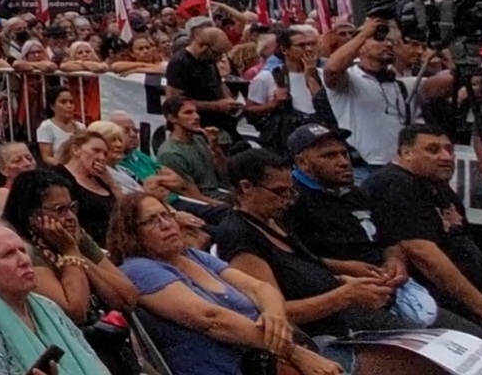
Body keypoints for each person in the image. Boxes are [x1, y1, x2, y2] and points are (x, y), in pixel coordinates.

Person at [282, 123, 482, 338]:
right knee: (428, 350)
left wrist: (394, 262)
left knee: (472, 336)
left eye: (344, 153)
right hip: (343, 296)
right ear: (303, 162)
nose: (342, 162)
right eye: (329, 156)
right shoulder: (290, 201)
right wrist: (346, 269)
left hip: (395, 287)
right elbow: (292, 260)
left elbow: (389, 239)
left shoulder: (353, 192)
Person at [105, 192, 338, 375]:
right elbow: (211, 320)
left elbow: (260, 288)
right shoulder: (138, 269)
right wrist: (295, 353)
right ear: (131, 234)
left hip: (269, 360)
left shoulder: (191, 256)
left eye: (167, 215)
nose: (166, 225)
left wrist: (274, 314)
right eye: (151, 221)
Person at [212, 147, 410, 360]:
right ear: (246, 187)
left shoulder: (272, 221)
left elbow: (302, 273)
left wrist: (349, 281)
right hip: (317, 340)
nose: (286, 200)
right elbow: (278, 312)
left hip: (342, 321)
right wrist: (345, 296)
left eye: (290, 192)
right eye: (279, 192)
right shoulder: (239, 236)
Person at [362, 124, 482, 341]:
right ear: (406, 153)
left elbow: (467, 247)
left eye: (449, 149)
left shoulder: (437, 184)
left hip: (481, 296)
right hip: (437, 303)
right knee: (480, 341)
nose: (446, 157)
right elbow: (425, 255)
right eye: (433, 150)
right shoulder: (395, 184)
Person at [0, 221, 105, 375]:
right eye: (8, 254)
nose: (24, 260)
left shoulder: (47, 305)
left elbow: (94, 361)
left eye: (23, 251)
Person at [0, 171, 137, 335]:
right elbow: (75, 312)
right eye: (60, 210)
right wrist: (69, 252)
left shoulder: (75, 236)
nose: (71, 217)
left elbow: (129, 297)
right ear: (33, 217)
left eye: (72, 208)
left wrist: (78, 255)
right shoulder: (23, 251)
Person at [326, 14, 450, 182]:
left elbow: (450, 80)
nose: (388, 44)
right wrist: (365, 33)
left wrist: (444, 45)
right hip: (364, 171)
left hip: (403, 169)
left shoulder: (403, 85)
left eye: (390, 41)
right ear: (360, 47)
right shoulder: (349, 82)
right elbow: (332, 69)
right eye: (379, 39)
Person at [242, 25, 333, 150]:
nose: (308, 49)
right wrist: (272, 104)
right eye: (301, 45)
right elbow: (248, 110)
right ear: (285, 50)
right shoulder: (267, 77)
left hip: (322, 137)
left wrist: (311, 76)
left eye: (311, 44)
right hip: (288, 141)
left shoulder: (323, 74)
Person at [163, 28, 239, 139]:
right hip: (198, 127)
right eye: (217, 54)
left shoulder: (208, 61)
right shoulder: (180, 63)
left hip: (220, 123)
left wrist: (228, 100)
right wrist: (216, 106)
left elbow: (218, 83)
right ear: (203, 47)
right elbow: (173, 101)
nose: (218, 58)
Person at [152, 98, 228, 200]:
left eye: (196, 112)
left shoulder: (199, 140)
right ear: (172, 118)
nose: (197, 117)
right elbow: (190, 195)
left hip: (220, 193)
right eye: (188, 113)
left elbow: (224, 174)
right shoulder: (170, 154)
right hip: (204, 203)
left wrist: (215, 146)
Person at [55, 132, 117, 243]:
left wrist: (112, 184)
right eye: (96, 151)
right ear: (75, 150)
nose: (102, 157)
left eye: (105, 154)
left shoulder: (103, 179)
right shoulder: (59, 177)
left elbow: (126, 211)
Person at [32, 88, 81, 167]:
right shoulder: (46, 127)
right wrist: (66, 167)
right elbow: (47, 157)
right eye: (63, 102)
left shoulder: (81, 127)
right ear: (52, 106)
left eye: (71, 102)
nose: (69, 106)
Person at [0, 143, 34, 218]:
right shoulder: (3, 193)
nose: (27, 163)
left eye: (29, 158)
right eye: (17, 161)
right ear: (4, 170)